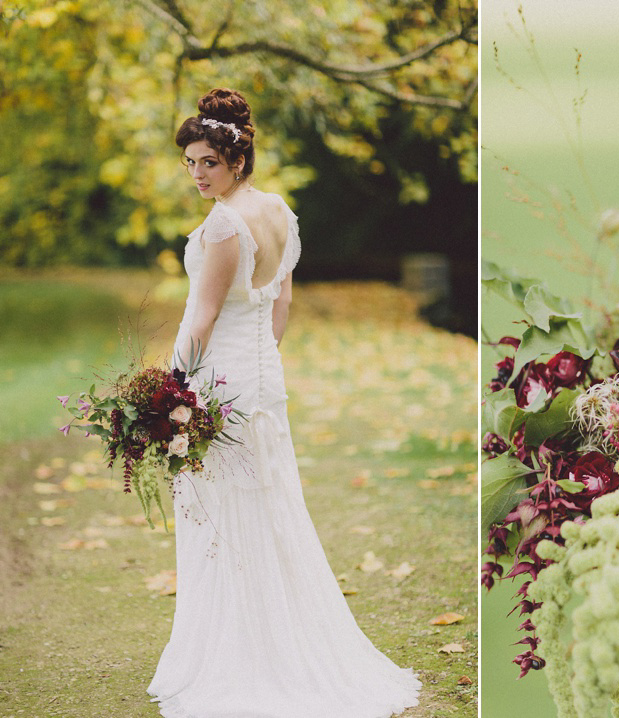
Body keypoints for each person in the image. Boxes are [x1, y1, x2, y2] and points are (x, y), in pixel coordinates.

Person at [146, 88, 421, 717]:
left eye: (207, 162)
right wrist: (260, 364)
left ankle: (245, 664)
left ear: (236, 159)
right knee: (264, 513)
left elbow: (203, 318)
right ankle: (277, 645)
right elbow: (281, 305)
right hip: (261, 388)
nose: (196, 173)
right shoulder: (279, 212)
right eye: (189, 162)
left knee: (223, 519)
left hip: (219, 386)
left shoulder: (223, 224)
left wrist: (171, 391)